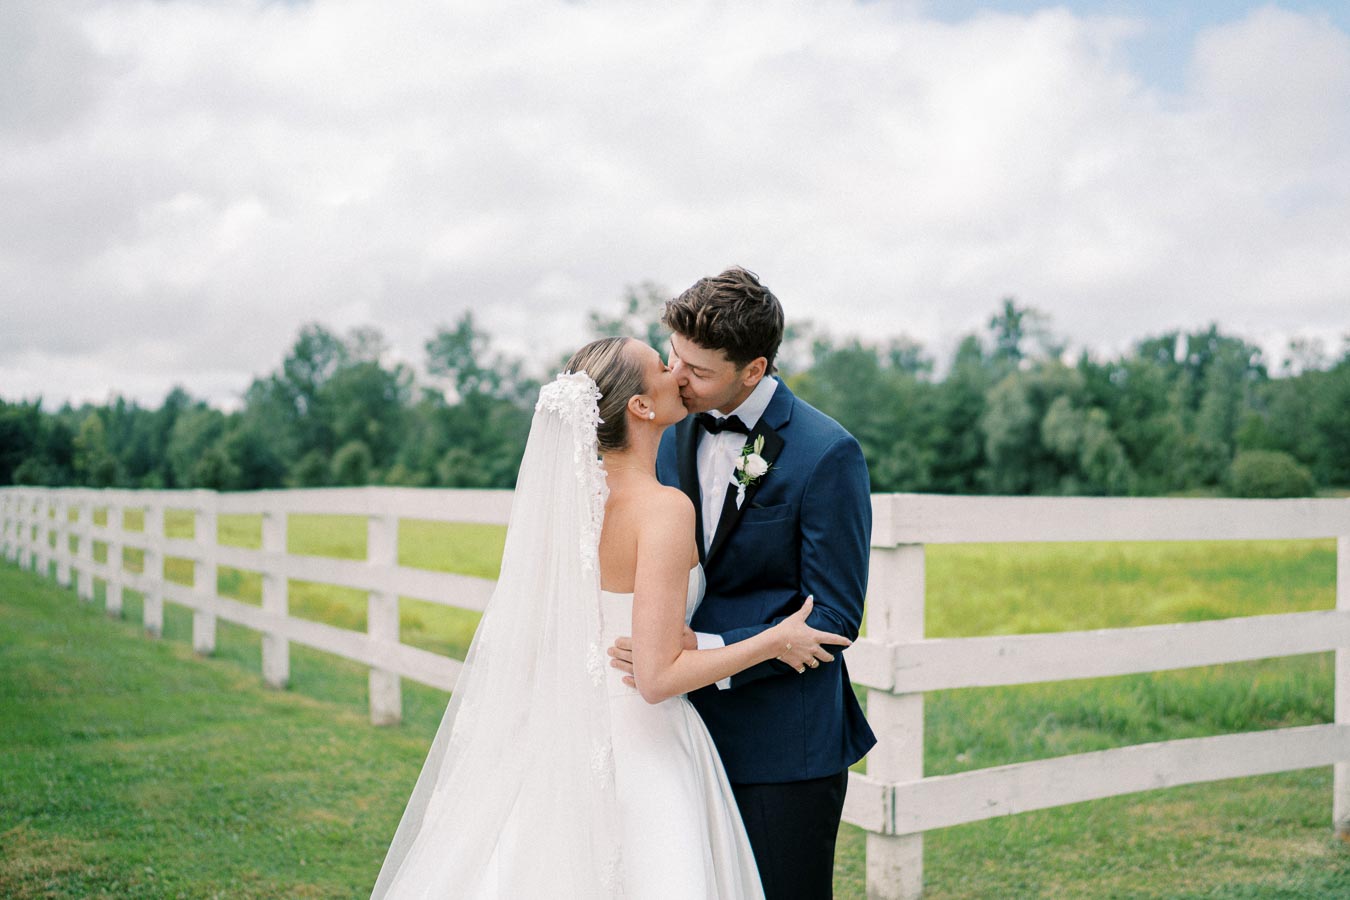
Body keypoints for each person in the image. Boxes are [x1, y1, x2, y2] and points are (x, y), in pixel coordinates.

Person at [370, 335, 851, 899]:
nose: (676, 372)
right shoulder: (665, 509)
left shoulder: (571, 502)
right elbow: (657, 677)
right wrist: (774, 640)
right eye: (661, 364)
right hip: (644, 744)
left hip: (566, 731)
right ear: (641, 407)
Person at [609, 267, 876, 900]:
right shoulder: (671, 426)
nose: (677, 377)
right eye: (673, 357)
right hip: (679, 735)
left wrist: (700, 647)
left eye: (697, 370)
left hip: (783, 744)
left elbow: (834, 616)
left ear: (752, 370)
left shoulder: (826, 453)